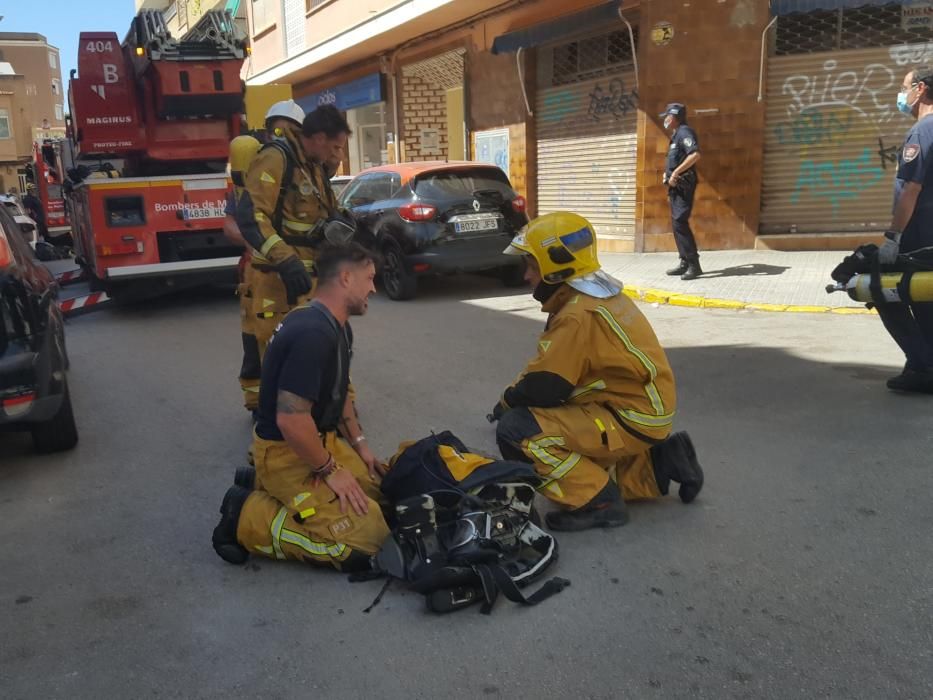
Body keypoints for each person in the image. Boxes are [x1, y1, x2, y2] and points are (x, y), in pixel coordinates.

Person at [489, 212, 704, 531]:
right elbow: (547, 368)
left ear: (553, 268)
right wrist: (512, 394)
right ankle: (664, 460)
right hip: (640, 408)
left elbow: (546, 387)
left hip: (631, 415)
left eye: (531, 266)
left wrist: (507, 403)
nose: (527, 276)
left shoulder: (578, 314)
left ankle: (600, 502)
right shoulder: (594, 298)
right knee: (578, 452)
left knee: (518, 431)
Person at [212, 243, 390, 571]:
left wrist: (360, 447)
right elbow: (291, 422)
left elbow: (340, 394)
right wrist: (330, 472)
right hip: (286, 453)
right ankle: (246, 513)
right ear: (347, 278)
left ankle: (259, 485)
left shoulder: (334, 324)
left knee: (382, 496)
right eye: (369, 278)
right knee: (367, 539)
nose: (374, 288)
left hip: (318, 440)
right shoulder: (312, 333)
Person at [235, 103, 350, 364]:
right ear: (319, 138)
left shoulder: (311, 166)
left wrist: (343, 222)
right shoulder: (275, 158)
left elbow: (321, 212)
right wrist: (286, 261)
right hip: (276, 283)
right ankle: (265, 406)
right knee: (278, 357)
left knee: (320, 354)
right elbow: (252, 216)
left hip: (310, 282)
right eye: (334, 148)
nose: (337, 156)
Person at [223, 101, 307, 413]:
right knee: (259, 342)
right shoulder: (253, 166)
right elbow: (232, 221)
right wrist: (256, 243)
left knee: (308, 339)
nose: (282, 136)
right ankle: (262, 405)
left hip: (296, 274)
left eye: (289, 130)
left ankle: (320, 401)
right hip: (260, 275)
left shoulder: (307, 169)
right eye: (277, 128)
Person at [877, 66, 933, 394]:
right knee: (926, 299)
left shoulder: (922, 132)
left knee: (884, 292)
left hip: (920, 236)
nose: (901, 95)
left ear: (921, 89)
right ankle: (923, 365)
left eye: (904, 87)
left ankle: (922, 365)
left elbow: (910, 189)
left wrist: (893, 237)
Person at [659, 103, 702, 281]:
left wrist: (676, 172)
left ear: (675, 116)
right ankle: (684, 261)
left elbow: (695, 154)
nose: (665, 119)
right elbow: (676, 160)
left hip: (684, 185)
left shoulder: (685, 132)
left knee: (680, 222)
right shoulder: (676, 135)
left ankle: (694, 265)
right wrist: (667, 174)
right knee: (677, 224)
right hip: (675, 186)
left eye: (668, 116)